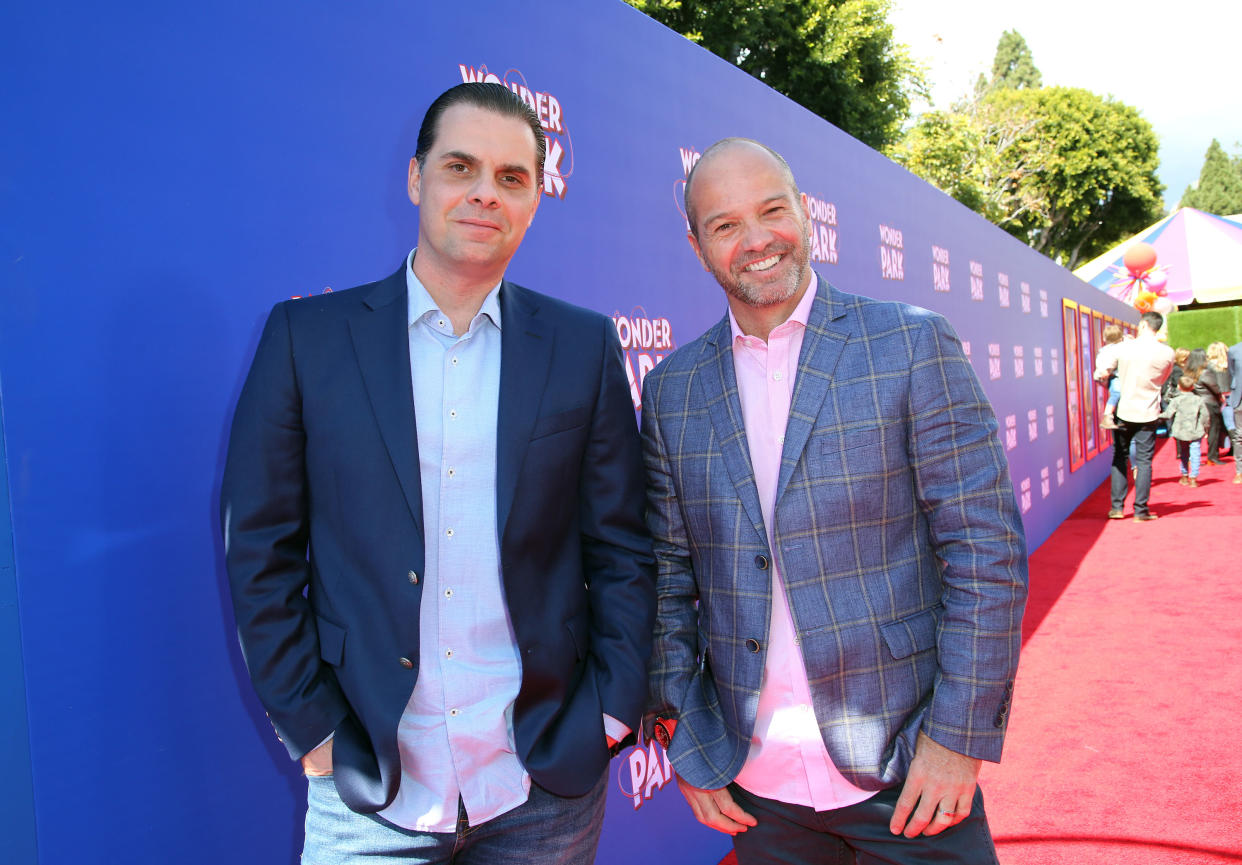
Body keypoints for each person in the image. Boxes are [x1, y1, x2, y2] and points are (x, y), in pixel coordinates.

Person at [220, 82, 655, 864]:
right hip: (371, 786)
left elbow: (622, 547)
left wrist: (610, 711)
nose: (486, 192)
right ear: (417, 178)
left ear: (534, 200)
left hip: (543, 785)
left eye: (512, 177)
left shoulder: (582, 347)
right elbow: (260, 547)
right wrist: (311, 724)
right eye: (461, 167)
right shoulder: (305, 340)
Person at [641, 138, 1029, 865]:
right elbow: (667, 581)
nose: (757, 239)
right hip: (760, 794)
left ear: (806, 214)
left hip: (909, 772)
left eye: (772, 210)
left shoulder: (910, 345)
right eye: (725, 225)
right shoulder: (672, 390)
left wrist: (956, 740)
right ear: (697, 247)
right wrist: (691, 744)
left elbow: (986, 554)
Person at [1095, 311, 1174, 521]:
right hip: (1148, 410)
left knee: (1120, 456)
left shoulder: (1124, 348)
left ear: (1144, 324)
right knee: (1145, 461)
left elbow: (1103, 371)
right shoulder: (1167, 353)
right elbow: (1163, 379)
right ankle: (1141, 510)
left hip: (1123, 409)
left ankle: (1117, 508)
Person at [1162, 375, 1211, 486]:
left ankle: (1184, 475)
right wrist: (1206, 427)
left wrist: (1156, 415)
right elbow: (1205, 415)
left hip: (1181, 430)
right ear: (1193, 387)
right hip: (1195, 430)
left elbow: (1168, 414)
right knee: (1195, 452)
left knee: (1184, 452)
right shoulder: (1198, 400)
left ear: (1179, 387)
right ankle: (1193, 477)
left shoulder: (1176, 400)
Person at [1185, 348, 1225, 467]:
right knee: (1213, 430)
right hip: (1209, 404)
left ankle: (1192, 457)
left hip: (1196, 403)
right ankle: (1212, 456)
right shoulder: (1204, 372)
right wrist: (1220, 397)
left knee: (1197, 432)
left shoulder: (1188, 372)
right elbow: (1216, 388)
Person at [1093, 324, 1125, 430]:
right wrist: (1106, 371)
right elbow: (1108, 365)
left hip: (1105, 376)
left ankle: (1112, 415)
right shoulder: (1117, 349)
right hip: (1112, 376)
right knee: (1116, 394)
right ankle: (1107, 416)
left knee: (1117, 394)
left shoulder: (1104, 350)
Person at [1206, 341, 1233, 460]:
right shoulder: (1229, 364)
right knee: (1232, 423)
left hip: (1217, 397)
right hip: (1230, 395)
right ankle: (1233, 448)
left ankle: (1215, 452)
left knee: (1217, 426)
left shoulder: (1210, 366)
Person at [1229, 339, 1242, 483]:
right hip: (1240, 398)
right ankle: (1240, 471)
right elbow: (1232, 373)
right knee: (1240, 435)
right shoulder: (1234, 350)